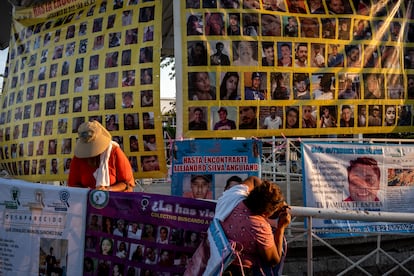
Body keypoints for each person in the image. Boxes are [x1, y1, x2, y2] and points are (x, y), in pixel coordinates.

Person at [221, 180, 291, 275]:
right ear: (266, 213)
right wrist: (281, 228)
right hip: (240, 270)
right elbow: (274, 260)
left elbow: (254, 180)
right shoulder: (259, 226)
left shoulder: (234, 197)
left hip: (218, 262)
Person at [67, 120, 135, 192]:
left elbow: (127, 184)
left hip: (114, 200)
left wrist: (107, 190)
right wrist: (89, 193)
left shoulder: (114, 152)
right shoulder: (79, 157)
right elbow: (73, 185)